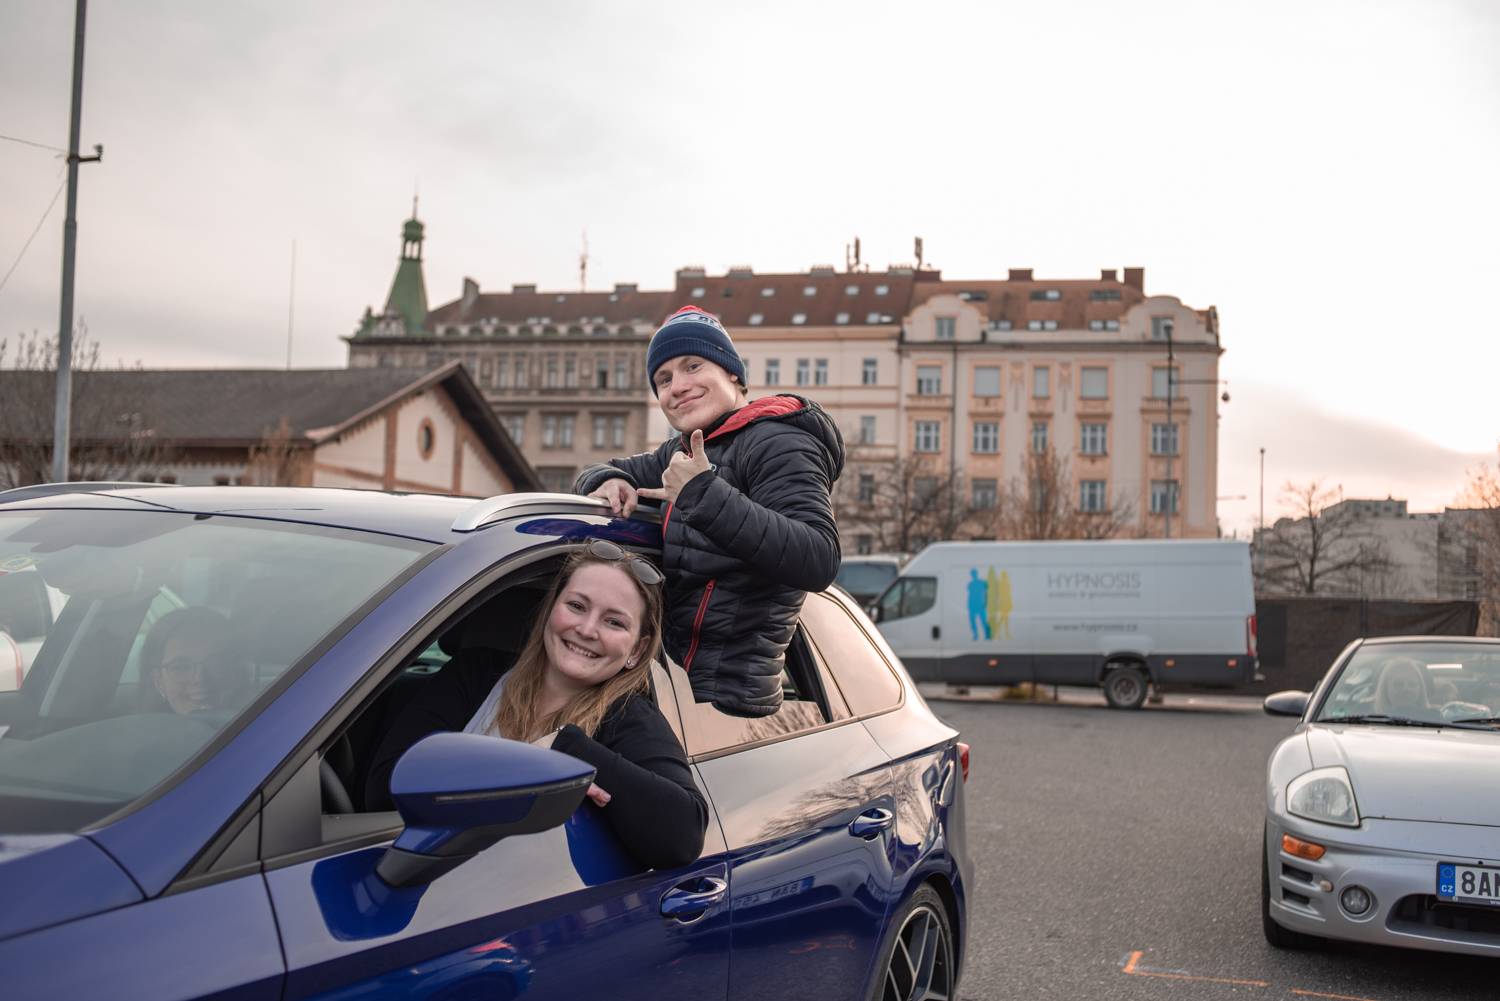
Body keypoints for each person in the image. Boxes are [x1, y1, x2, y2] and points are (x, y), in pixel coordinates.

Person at [367, 541, 707, 871]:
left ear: (636, 649)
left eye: (614, 622)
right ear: (551, 609)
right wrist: (521, 773)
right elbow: (385, 789)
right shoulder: (475, 673)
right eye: (576, 606)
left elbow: (683, 838)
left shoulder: (627, 718)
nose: (587, 629)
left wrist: (567, 748)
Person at [576, 305, 844, 717]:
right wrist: (606, 479)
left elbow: (819, 558)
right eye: (663, 380)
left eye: (692, 366)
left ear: (732, 374)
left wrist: (702, 494)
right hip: (670, 693)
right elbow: (604, 470)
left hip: (731, 710)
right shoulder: (685, 451)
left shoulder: (778, 441)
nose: (677, 387)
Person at [140, 607, 246, 714]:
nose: (200, 679)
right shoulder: (139, 730)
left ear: (236, 670)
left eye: (215, 664)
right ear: (158, 682)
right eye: (181, 667)